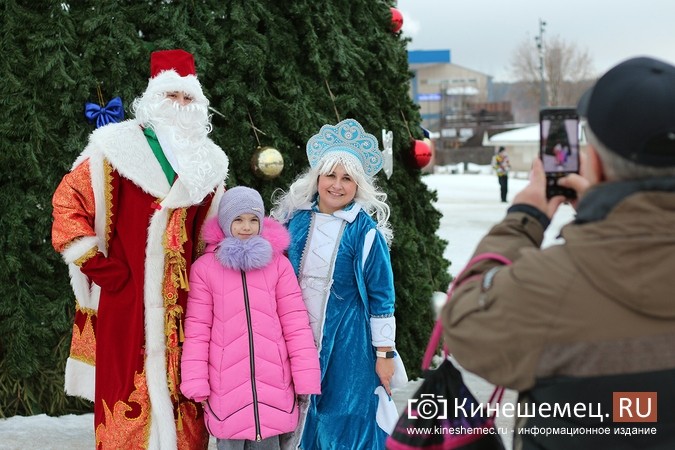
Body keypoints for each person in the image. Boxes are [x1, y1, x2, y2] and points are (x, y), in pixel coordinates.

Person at [441, 56, 675, 449]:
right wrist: (607, 217)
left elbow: (464, 321)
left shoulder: (546, 288)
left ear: (595, 164)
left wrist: (525, 217)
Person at [51, 49, 229, 449]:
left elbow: (214, 234)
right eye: (172, 97)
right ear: (153, 98)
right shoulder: (113, 148)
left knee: (186, 393)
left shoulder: (211, 164)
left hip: (187, 305)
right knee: (125, 394)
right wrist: (101, 268)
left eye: (188, 99)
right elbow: (68, 204)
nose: (180, 107)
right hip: (126, 296)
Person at [271, 118, 406, 449]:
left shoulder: (365, 233)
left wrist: (384, 353)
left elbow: (382, 298)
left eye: (347, 178)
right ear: (317, 177)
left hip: (349, 344)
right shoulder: (294, 222)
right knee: (299, 416)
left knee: (345, 415)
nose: (337, 185)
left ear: (358, 185)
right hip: (296, 337)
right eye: (330, 175)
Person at [180, 186, 322, 450]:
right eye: (238, 219)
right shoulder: (205, 270)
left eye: (253, 220)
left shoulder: (278, 266)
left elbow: (296, 325)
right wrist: (196, 380)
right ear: (225, 223)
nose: (246, 227)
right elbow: (198, 331)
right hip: (226, 391)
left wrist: (305, 377)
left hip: (274, 388)